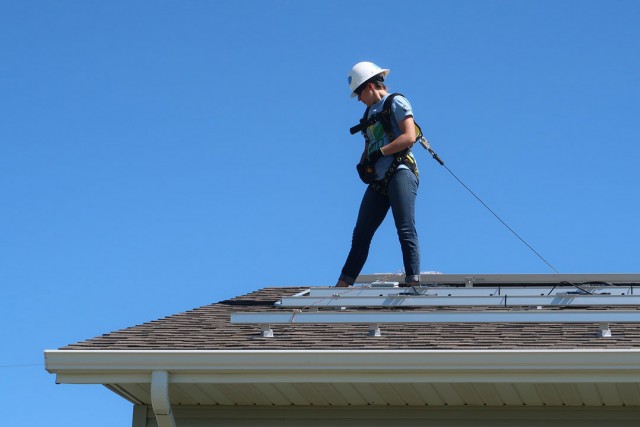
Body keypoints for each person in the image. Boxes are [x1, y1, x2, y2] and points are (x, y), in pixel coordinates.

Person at [336, 61, 421, 288]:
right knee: (361, 234)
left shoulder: (396, 102)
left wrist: (380, 153)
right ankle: (342, 286)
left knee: (404, 226)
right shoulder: (367, 116)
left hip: (400, 170)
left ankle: (413, 280)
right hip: (378, 180)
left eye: (359, 93)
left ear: (371, 86)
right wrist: (364, 164)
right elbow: (369, 147)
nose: (359, 99)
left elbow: (409, 136)